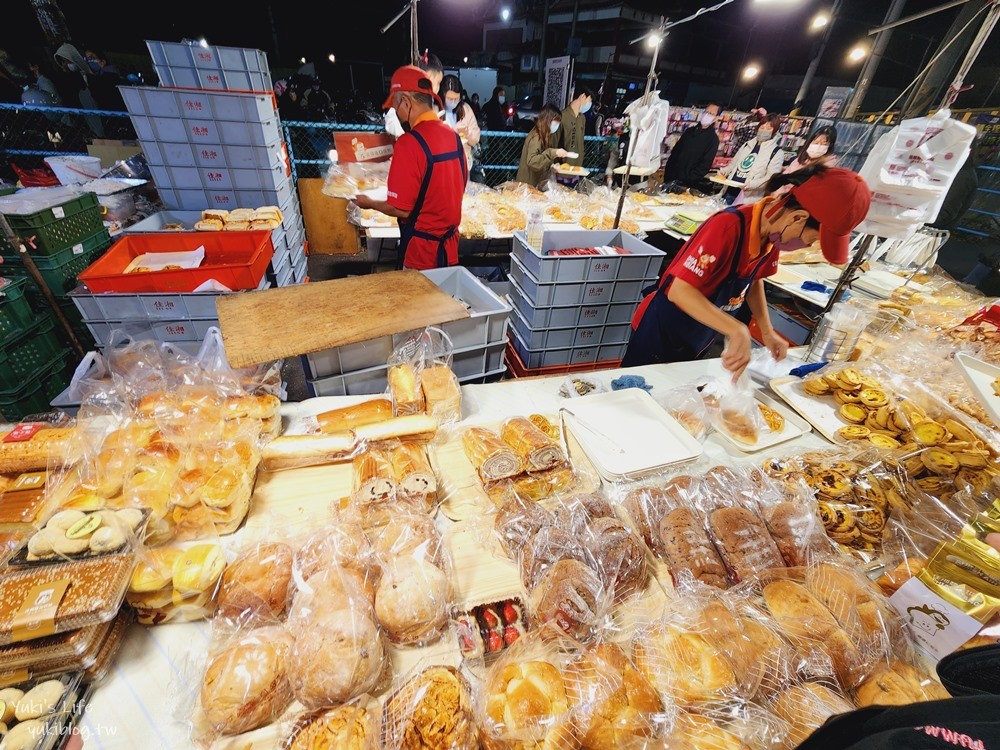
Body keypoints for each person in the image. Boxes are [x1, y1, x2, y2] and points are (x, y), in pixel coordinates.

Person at [621, 166, 872, 378]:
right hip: (661, 329)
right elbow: (680, 291)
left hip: (699, 332)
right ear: (797, 217)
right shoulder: (727, 227)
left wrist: (766, 331)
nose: (807, 246)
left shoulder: (771, 233)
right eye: (812, 239)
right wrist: (737, 329)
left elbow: (754, 281)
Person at [354, 66, 468, 270]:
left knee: (420, 302)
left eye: (396, 106)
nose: (397, 113)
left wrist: (368, 202)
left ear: (406, 102)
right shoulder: (453, 137)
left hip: (422, 255)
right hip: (450, 251)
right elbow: (461, 184)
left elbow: (401, 209)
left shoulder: (409, 143)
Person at [721, 113, 785, 205]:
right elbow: (733, 165)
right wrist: (724, 171)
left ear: (774, 131)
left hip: (747, 198)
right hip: (729, 191)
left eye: (768, 128)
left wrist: (752, 184)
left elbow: (771, 177)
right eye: (762, 127)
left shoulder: (776, 152)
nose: (764, 131)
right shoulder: (747, 145)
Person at [663, 102, 721, 188]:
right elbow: (675, 152)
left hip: (687, 184)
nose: (707, 115)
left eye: (711, 114)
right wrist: (668, 171)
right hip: (670, 177)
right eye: (706, 112)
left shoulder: (713, 139)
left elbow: (705, 165)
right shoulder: (689, 131)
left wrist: (689, 178)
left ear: (716, 118)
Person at [516, 104, 569, 189]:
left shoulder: (546, 134)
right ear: (547, 120)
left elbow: (543, 157)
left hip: (535, 184)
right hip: (528, 185)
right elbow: (533, 162)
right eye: (556, 121)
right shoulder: (536, 136)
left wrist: (552, 165)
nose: (557, 125)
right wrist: (553, 152)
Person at [439, 74, 481, 168]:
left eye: (456, 99)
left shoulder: (465, 109)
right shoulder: (435, 109)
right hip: (442, 162)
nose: (453, 101)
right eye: (450, 99)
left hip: (463, 161)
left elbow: (476, 136)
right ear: (442, 95)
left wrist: (467, 133)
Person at [557, 84, 592, 168]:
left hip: (577, 168)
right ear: (582, 96)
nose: (589, 105)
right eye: (589, 101)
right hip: (562, 168)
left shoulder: (582, 118)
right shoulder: (562, 116)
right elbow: (554, 142)